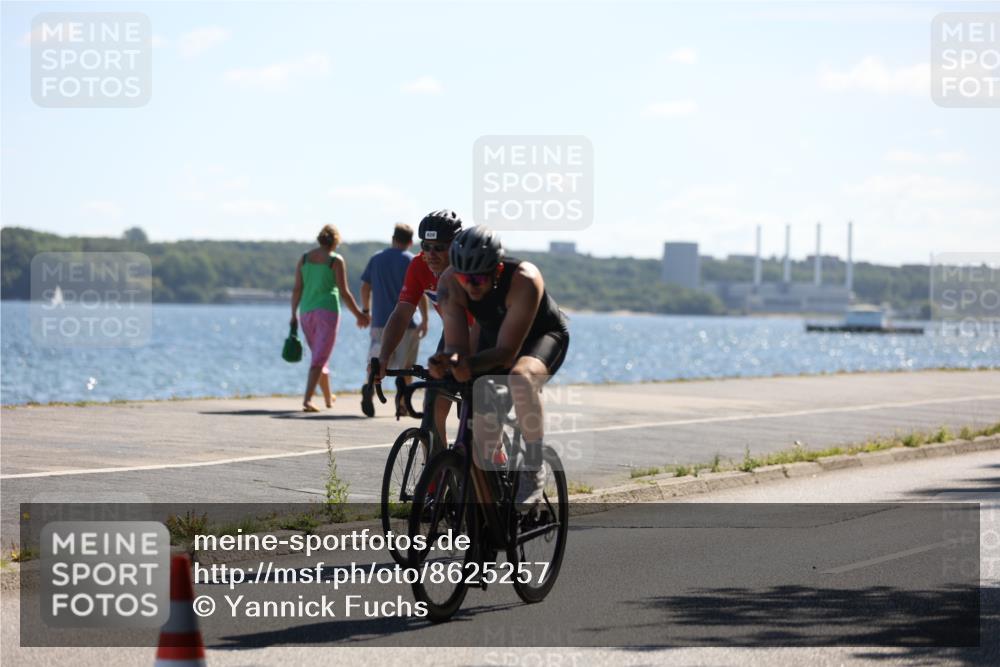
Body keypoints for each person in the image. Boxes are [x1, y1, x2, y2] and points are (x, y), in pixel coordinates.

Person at [430, 225, 569, 509]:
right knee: (481, 428)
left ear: (498, 269)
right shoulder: (449, 282)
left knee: (520, 378)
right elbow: (457, 347)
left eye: (479, 278)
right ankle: (492, 508)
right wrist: (446, 362)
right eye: (464, 278)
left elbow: (506, 355)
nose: (472, 285)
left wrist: (466, 364)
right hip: (493, 334)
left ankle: (532, 464)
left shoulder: (525, 279)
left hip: (541, 338)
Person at [370, 209, 466, 452]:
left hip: (485, 333)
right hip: (454, 334)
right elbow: (402, 313)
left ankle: (495, 467)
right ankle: (435, 483)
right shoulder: (418, 266)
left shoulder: (468, 268)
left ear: (455, 245)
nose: (431, 254)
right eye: (426, 246)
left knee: (478, 418)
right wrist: (383, 357)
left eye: (440, 247)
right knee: (433, 407)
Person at [290, 224, 369, 412]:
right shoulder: (335, 260)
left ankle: (328, 398)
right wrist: (360, 315)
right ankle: (307, 400)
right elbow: (344, 292)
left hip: (306, 312)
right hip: (327, 312)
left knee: (320, 354)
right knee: (319, 357)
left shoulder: (304, 259)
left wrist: (293, 313)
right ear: (335, 242)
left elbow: (297, 289)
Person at [359, 223, 429, 417]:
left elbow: (365, 286)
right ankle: (402, 401)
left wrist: (366, 310)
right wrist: (425, 319)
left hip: (380, 320)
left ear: (393, 238)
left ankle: (369, 387)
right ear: (410, 241)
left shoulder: (376, 258)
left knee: (378, 360)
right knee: (406, 366)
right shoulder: (411, 260)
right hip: (407, 322)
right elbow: (420, 293)